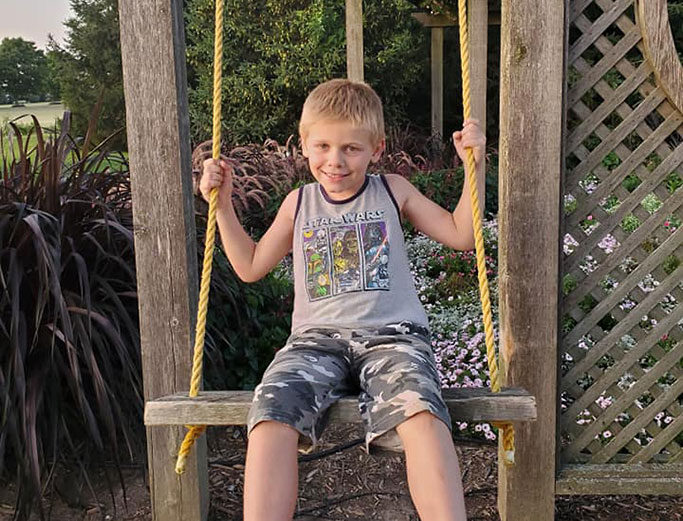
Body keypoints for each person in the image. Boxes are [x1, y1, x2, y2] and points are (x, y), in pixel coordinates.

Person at [200, 78, 486, 521]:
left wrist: (474, 166)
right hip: (315, 343)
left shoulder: (392, 190)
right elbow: (250, 266)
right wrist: (221, 207)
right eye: (323, 146)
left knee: (421, 414)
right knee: (270, 417)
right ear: (304, 145)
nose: (335, 161)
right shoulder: (299, 203)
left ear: (376, 148)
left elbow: (461, 235)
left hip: (394, 339)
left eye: (351, 148)